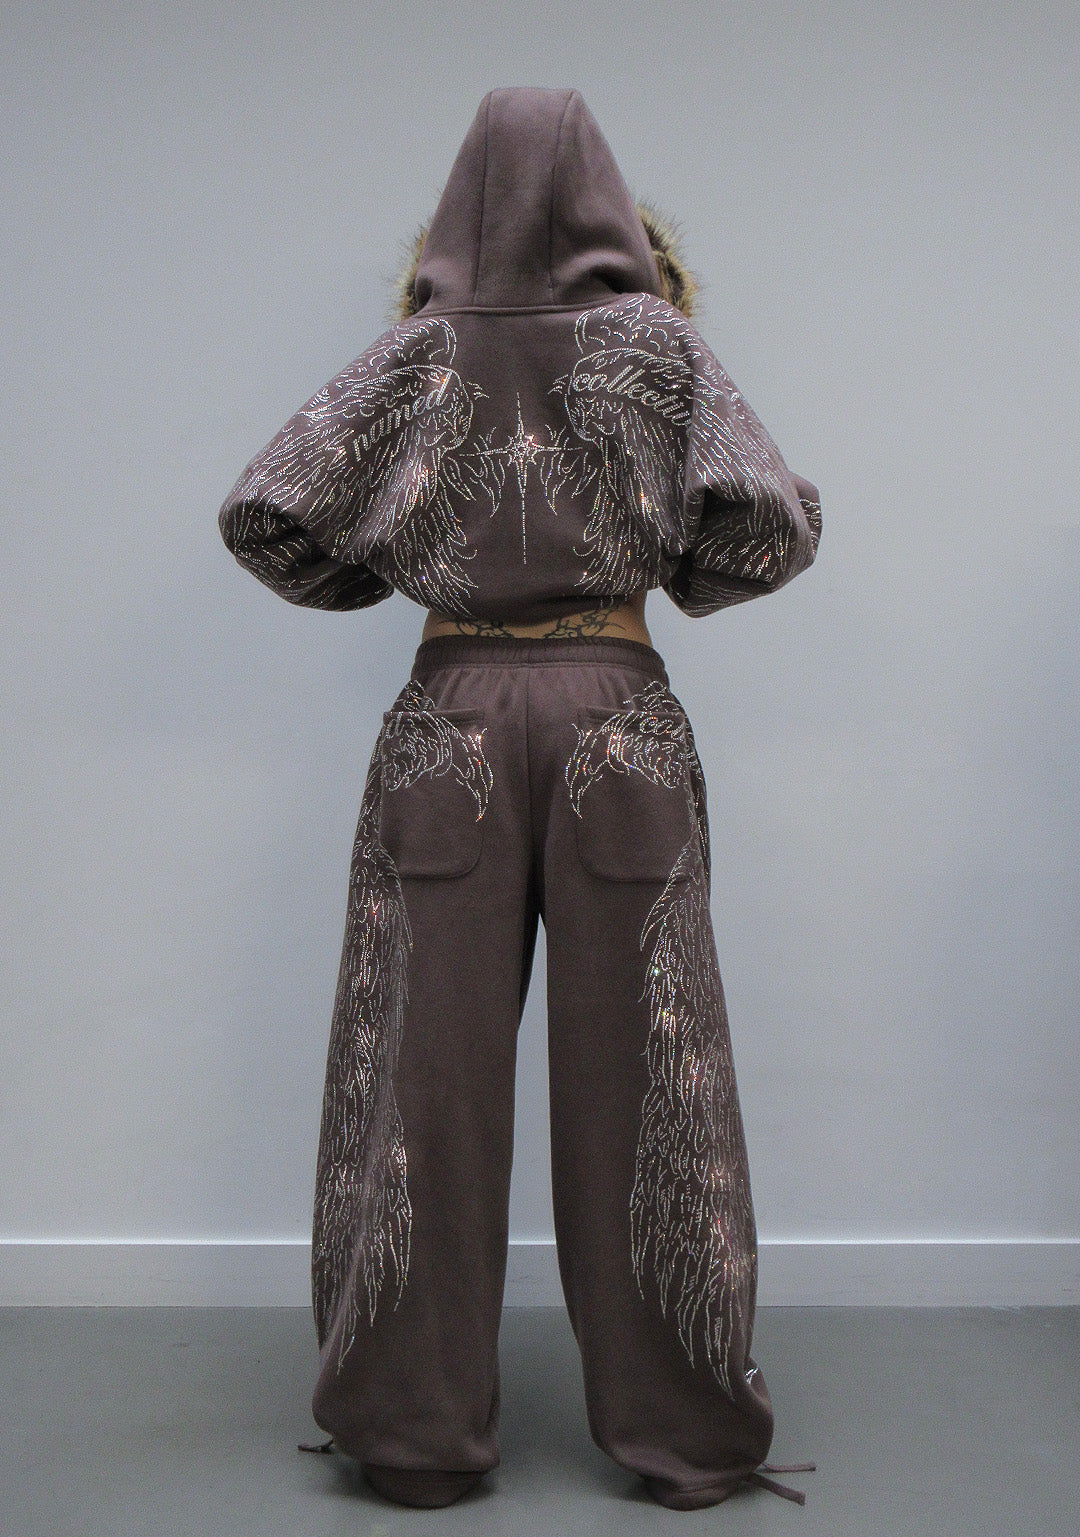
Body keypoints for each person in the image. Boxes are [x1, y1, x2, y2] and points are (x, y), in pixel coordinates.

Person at [218, 85, 821, 1512]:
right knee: (657, 1078)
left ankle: (411, 1438)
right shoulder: (658, 346)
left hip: (455, 723)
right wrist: (678, 573)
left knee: (416, 1081)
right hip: (619, 717)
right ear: (609, 198)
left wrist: (380, 569)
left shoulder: (416, 355)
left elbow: (266, 512)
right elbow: (771, 525)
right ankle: (687, 1441)